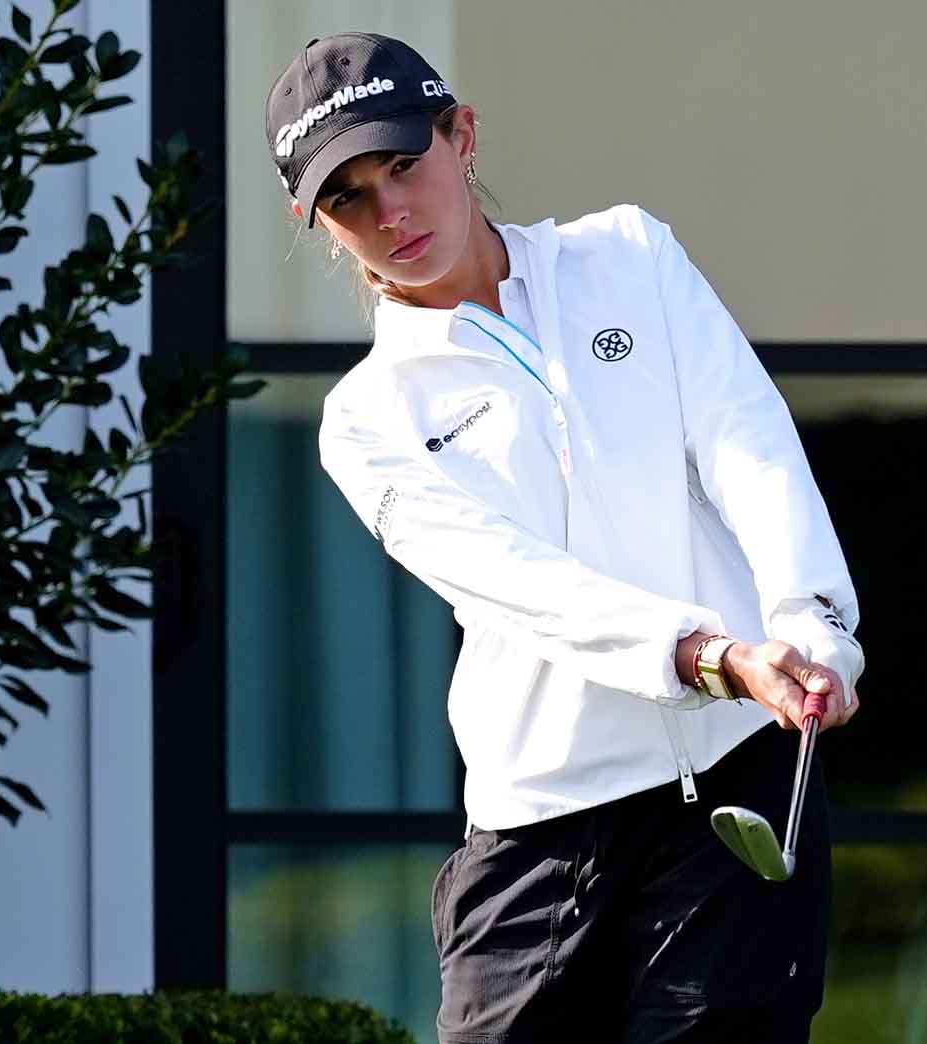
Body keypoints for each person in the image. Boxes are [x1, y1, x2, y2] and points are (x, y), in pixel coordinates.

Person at [263, 33, 864, 1044]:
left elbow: (747, 448)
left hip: (735, 794)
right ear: (313, 221)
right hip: (541, 830)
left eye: (405, 165)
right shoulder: (365, 421)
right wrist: (710, 655)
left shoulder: (628, 257)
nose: (392, 213)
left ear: (462, 135)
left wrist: (810, 627)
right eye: (350, 199)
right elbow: (517, 584)